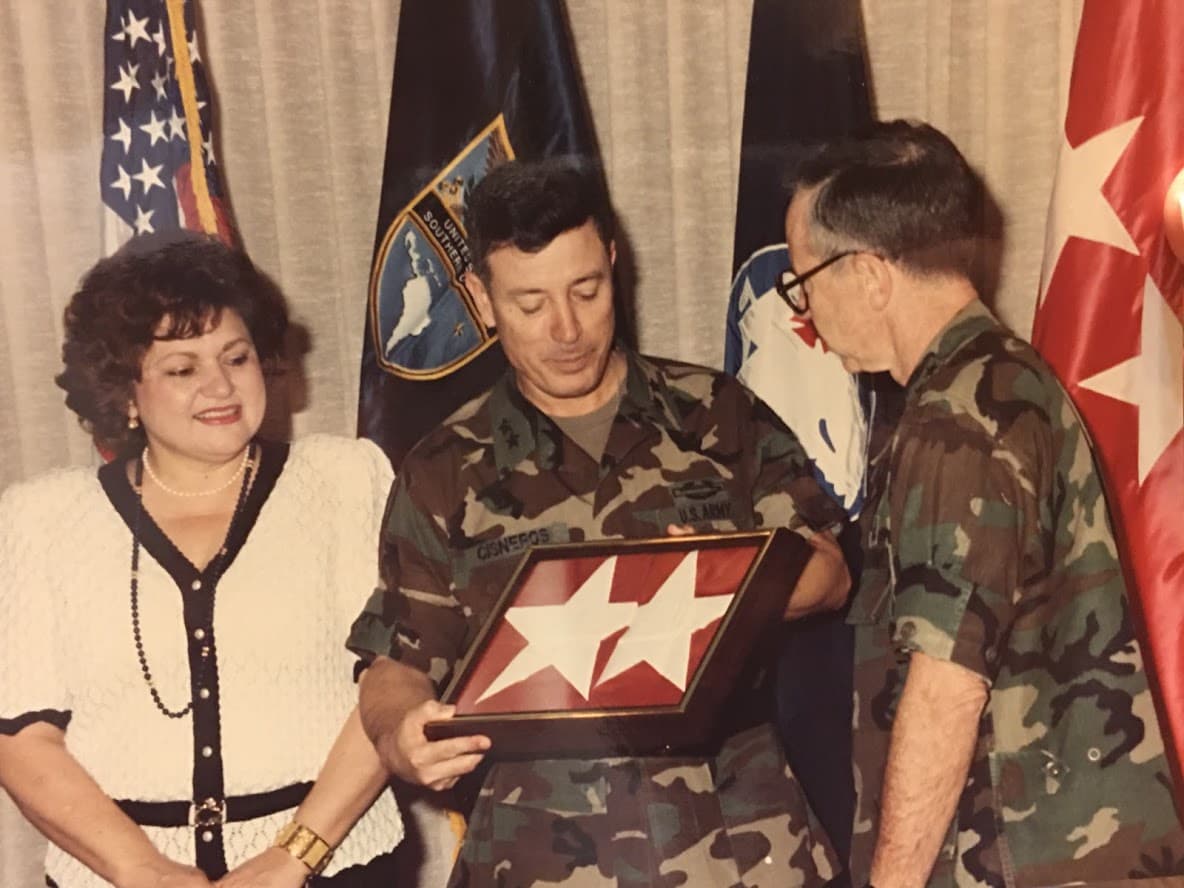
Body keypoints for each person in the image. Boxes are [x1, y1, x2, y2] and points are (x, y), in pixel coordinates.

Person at [348, 157, 853, 888]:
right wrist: (400, 734)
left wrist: (730, 582)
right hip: (541, 843)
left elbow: (829, 571)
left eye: (587, 290)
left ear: (615, 262)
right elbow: (396, 662)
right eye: (529, 304)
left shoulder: (716, 413)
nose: (567, 329)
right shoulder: (444, 468)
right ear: (483, 302)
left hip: (739, 830)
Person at [781, 119, 1184, 888]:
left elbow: (944, 691)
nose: (806, 316)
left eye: (803, 283)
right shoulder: (1009, 380)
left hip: (1008, 861)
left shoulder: (954, 423)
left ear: (867, 274)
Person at [0, 232, 403, 887]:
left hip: (331, 868)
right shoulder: (40, 517)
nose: (220, 385)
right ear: (125, 391)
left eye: (236, 357)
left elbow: (391, 689)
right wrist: (142, 869)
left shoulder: (345, 481)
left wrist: (292, 856)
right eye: (183, 368)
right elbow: (21, 736)